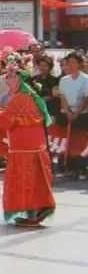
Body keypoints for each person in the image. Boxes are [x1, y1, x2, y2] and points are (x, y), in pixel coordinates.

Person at [0, 53, 56, 226]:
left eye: (12, 76)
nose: (8, 80)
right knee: (37, 179)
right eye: (7, 76)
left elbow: (7, 121)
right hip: (35, 145)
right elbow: (11, 115)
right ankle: (40, 208)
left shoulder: (19, 98)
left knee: (26, 180)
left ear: (21, 79)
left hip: (24, 148)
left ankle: (33, 214)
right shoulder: (31, 96)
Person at [57, 51, 88, 179]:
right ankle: (67, 167)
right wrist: (68, 112)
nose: (70, 65)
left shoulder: (86, 79)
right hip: (66, 113)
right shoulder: (64, 80)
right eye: (68, 62)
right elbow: (62, 97)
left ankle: (82, 169)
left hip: (82, 114)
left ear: (79, 64)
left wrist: (77, 112)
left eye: (73, 62)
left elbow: (85, 98)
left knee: (80, 141)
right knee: (66, 140)